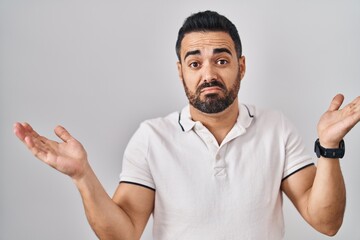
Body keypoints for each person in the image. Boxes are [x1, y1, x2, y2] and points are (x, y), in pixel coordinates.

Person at [13, 10, 360, 240]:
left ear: (241, 66)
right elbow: (123, 233)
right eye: (195, 63)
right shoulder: (151, 138)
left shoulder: (276, 128)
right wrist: (82, 175)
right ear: (180, 71)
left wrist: (329, 148)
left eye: (221, 60)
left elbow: (326, 222)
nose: (209, 74)